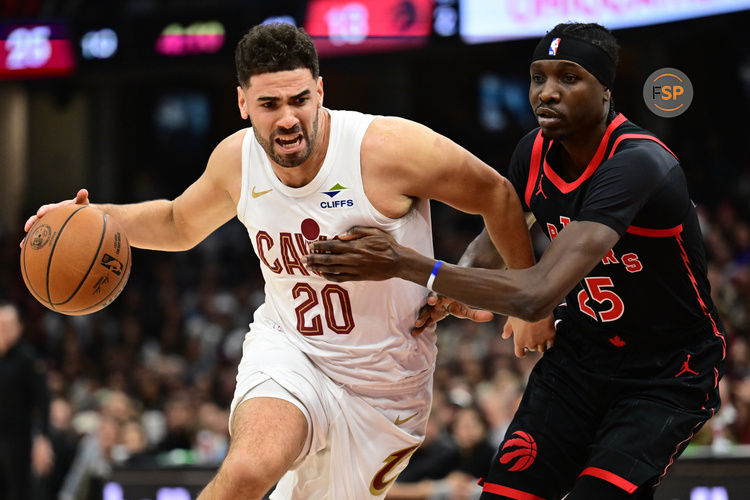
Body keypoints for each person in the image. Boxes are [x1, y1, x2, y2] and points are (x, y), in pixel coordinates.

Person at [23, 23, 552, 499]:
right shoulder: (237, 160)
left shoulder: (387, 148)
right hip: (291, 350)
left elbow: (499, 194)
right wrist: (89, 218)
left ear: (321, 91)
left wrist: (528, 302)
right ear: (242, 104)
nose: (288, 118)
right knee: (248, 469)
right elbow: (177, 223)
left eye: (300, 99)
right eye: (270, 105)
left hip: (385, 384)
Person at [305, 22, 726, 499]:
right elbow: (497, 234)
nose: (547, 92)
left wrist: (408, 263)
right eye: (538, 78)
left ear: (606, 90)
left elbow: (536, 293)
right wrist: (450, 285)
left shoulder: (636, 164)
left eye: (569, 78)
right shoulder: (533, 152)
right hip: (581, 360)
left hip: (667, 370)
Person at [0, 301, 54, 500]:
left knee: (18, 492)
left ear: (19, 327)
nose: (4, 330)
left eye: (8, 325)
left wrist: (43, 438)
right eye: (0, 325)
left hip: (19, 438)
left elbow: (44, 401)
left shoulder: (28, 358)